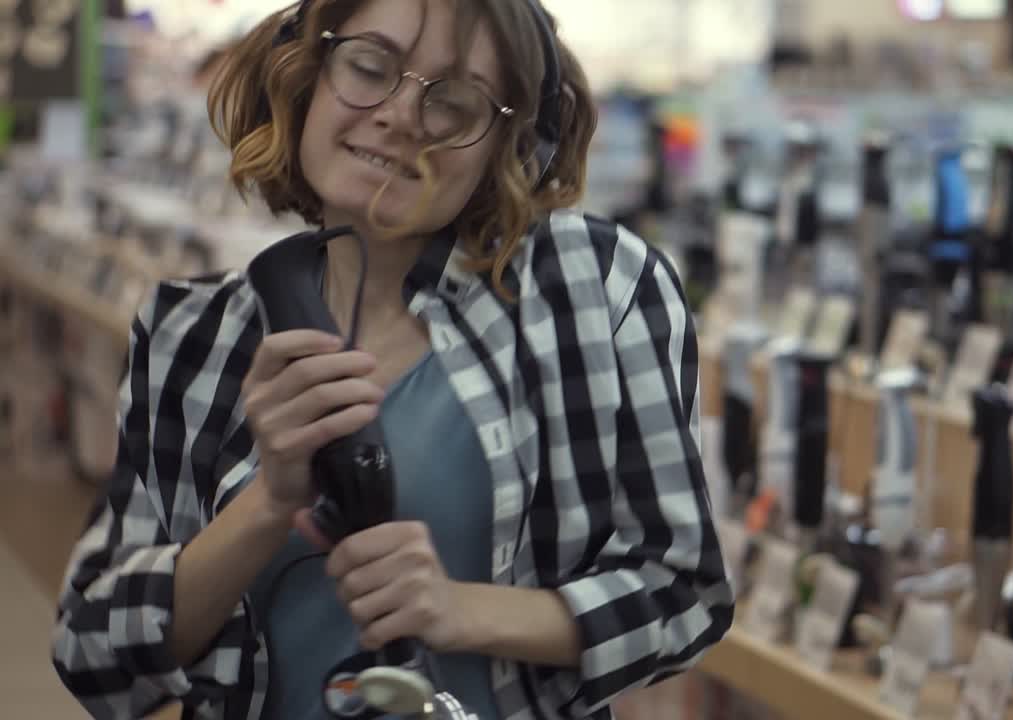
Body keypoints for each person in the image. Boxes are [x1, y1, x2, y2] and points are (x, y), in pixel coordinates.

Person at [50, 1, 734, 718]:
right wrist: (267, 505)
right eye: (370, 67)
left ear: (512, 144)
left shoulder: (596, 292)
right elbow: (92, 656)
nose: (402, 115)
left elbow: (684, 593)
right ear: (307, 74)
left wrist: (461, 610)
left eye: (456, 104)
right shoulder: (193, 335)